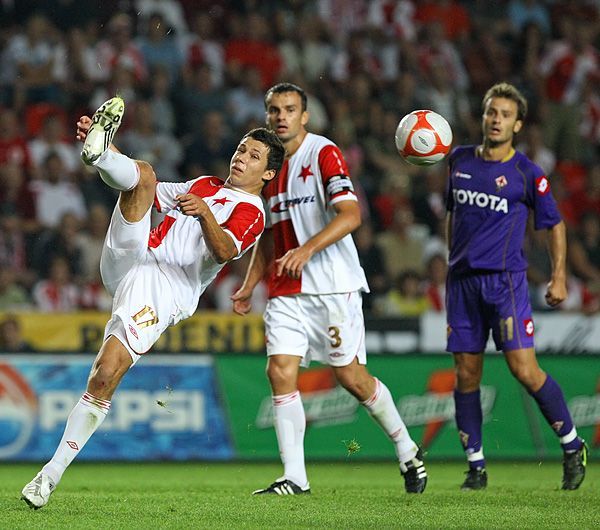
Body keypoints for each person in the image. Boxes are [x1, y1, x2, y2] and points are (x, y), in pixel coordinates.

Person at [21, 96, 284, 509]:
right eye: (240, 150)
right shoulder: (203, 185)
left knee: (104, 375)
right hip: (135, 259)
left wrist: (204, 216)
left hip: (165, 292)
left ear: (267, 173)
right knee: (142, 174)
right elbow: (142, 189)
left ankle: (48, 475)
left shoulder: (252, 211)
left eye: (253, 156)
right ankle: (100, 150)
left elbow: (223, 252)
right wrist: (108, 149)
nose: (241, 158)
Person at [232, 83, 427, 495]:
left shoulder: (322, 152)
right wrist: (250, 283)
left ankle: (406, 448)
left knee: (352, 378)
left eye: (289, 109)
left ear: (305, 116)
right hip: (285, 288)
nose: (280, 116)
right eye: (273, 110)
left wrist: (307, 249)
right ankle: (295, 477)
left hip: (333, 287)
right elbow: (268, 234)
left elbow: (351, 214)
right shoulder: (267, 166)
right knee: (279, 370)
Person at [445, 82, 587, 491]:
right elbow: (454, 218)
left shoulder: (526, 172)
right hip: (462, 285)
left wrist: (559, 275)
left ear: (517, 124)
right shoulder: (457, 161)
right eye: (491, 112)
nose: (495, 120)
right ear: (483, 114)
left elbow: (554, 224)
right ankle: (475, 466)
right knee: (465, 373)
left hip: (504, 282)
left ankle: (572, 444)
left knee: (524, 370)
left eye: (505, 115)